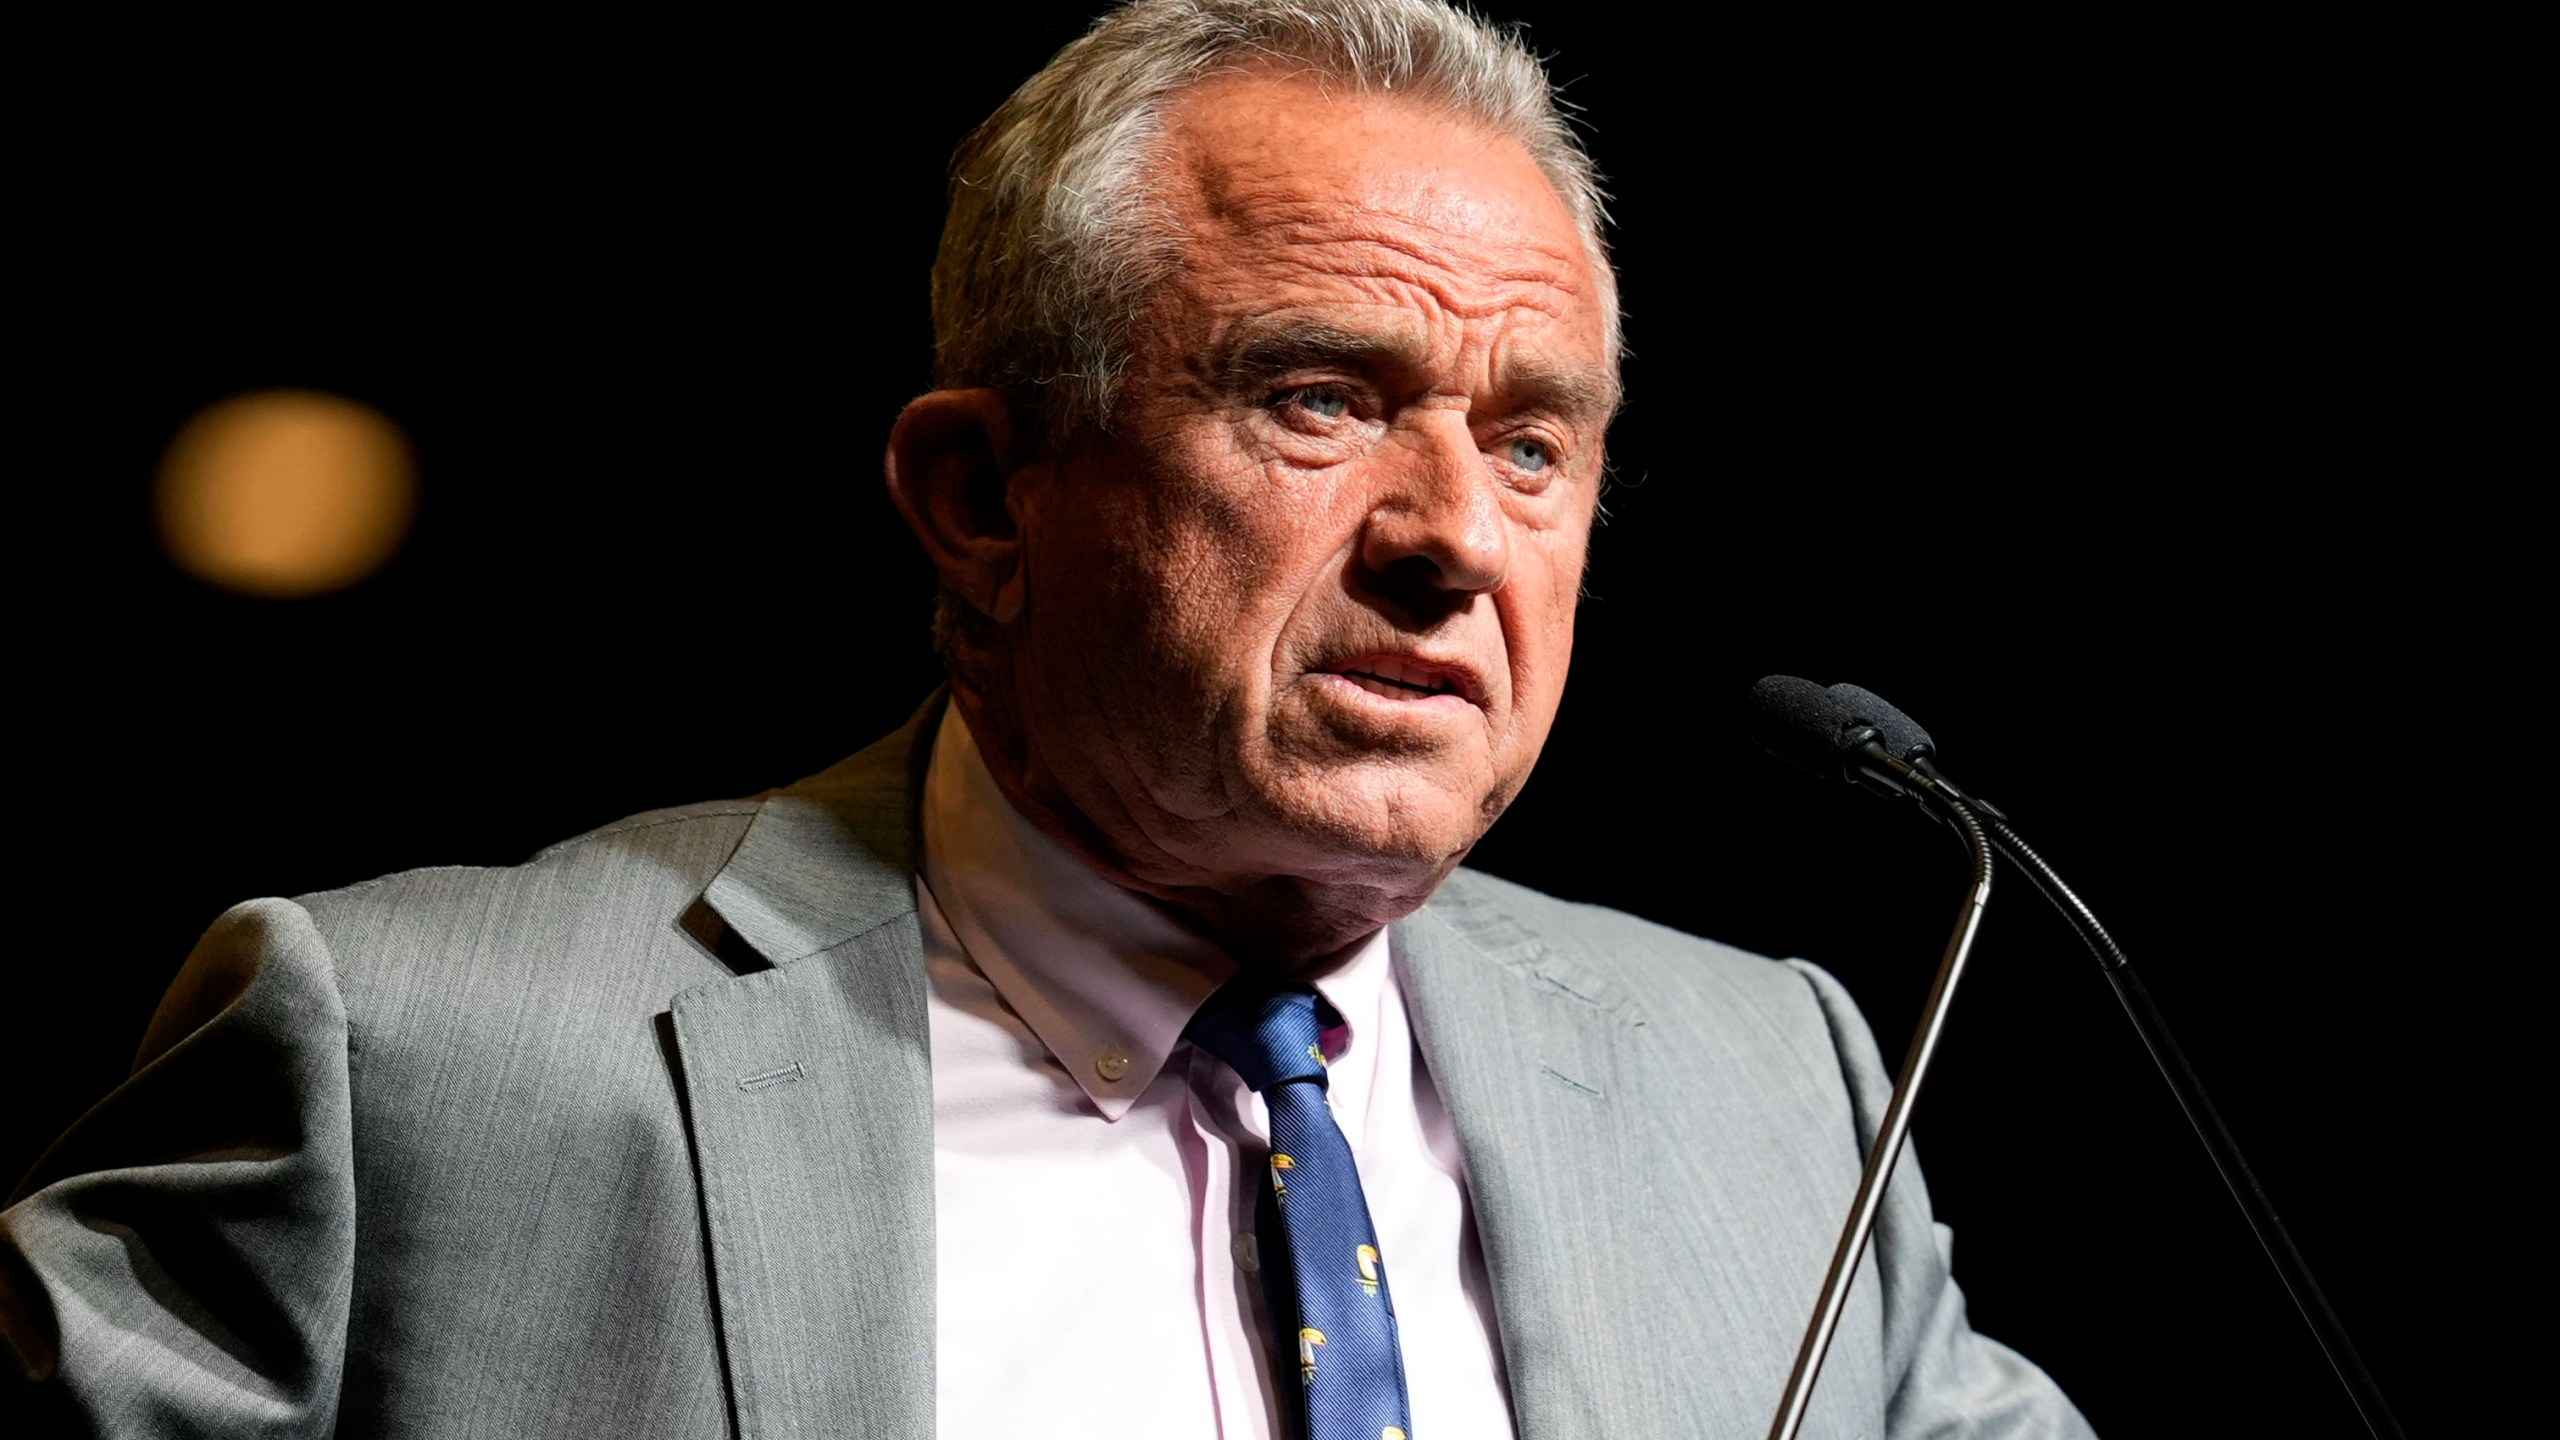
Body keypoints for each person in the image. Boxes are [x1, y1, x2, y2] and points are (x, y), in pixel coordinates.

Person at [3, 2, 2093, 1436]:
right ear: (982, 499)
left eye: (1534, 443)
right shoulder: (413, 1066)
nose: (1454, 535)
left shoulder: (1780, 1090)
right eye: (1319, 398)